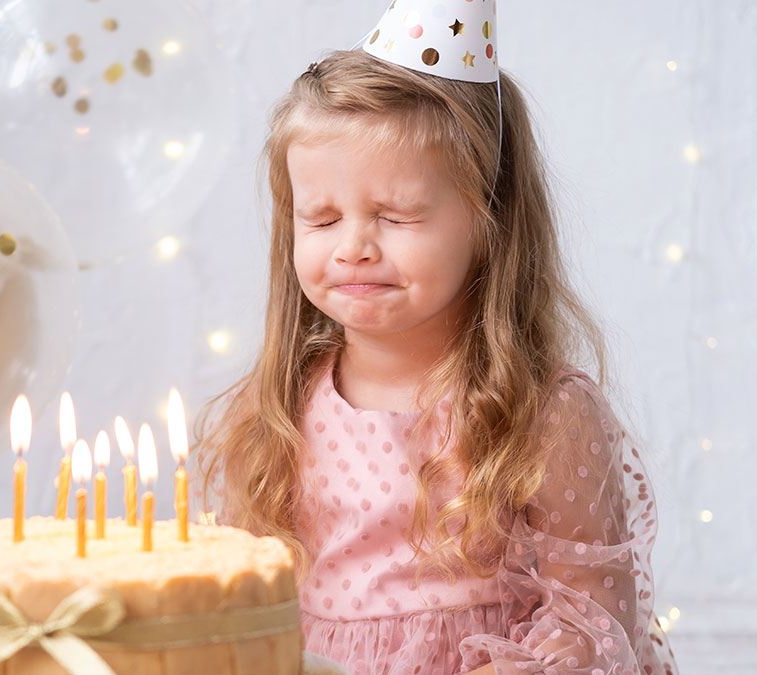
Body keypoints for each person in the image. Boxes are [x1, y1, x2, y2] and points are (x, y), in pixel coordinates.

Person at [196, 2, 679, 673]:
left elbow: (594, 611)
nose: (354, 247)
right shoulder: (280, 403)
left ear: (489, 220)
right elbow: (245, 590)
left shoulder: (543, 414)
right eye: (323, 218)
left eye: (396, 215)